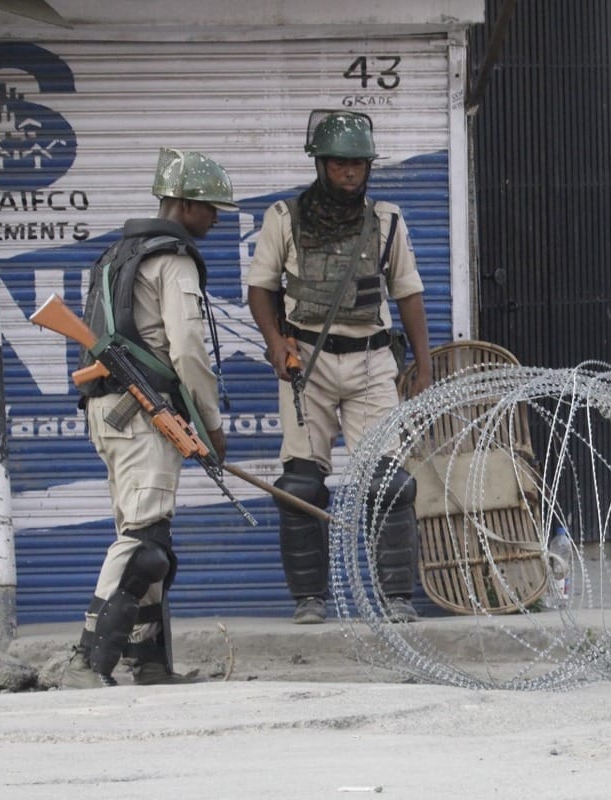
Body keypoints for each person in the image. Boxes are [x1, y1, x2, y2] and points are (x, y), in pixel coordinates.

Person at [246, 110, 433, 625]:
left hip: (372, 360)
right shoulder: (283, 217)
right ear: (321, 165)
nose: (349, 173)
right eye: (338, 164)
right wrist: (275, 341)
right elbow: (260, 289)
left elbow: (409, 292)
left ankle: (396, 597)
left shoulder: (388, 220)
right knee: (301, 485)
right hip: (307, 360)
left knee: (390, 483)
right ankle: (310, 599)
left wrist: (423, 363)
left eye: (357, 164)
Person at [61, 148, 237, 688]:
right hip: (144, 414)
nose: (213, 219)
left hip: (111, 413)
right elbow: (187, 351)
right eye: (208, 208)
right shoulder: (172, 259)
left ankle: (150, 663)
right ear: (182, 204)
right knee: (143, 540)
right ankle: (86, 662)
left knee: (149, 538)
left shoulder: (118, 253)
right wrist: (210, 424)